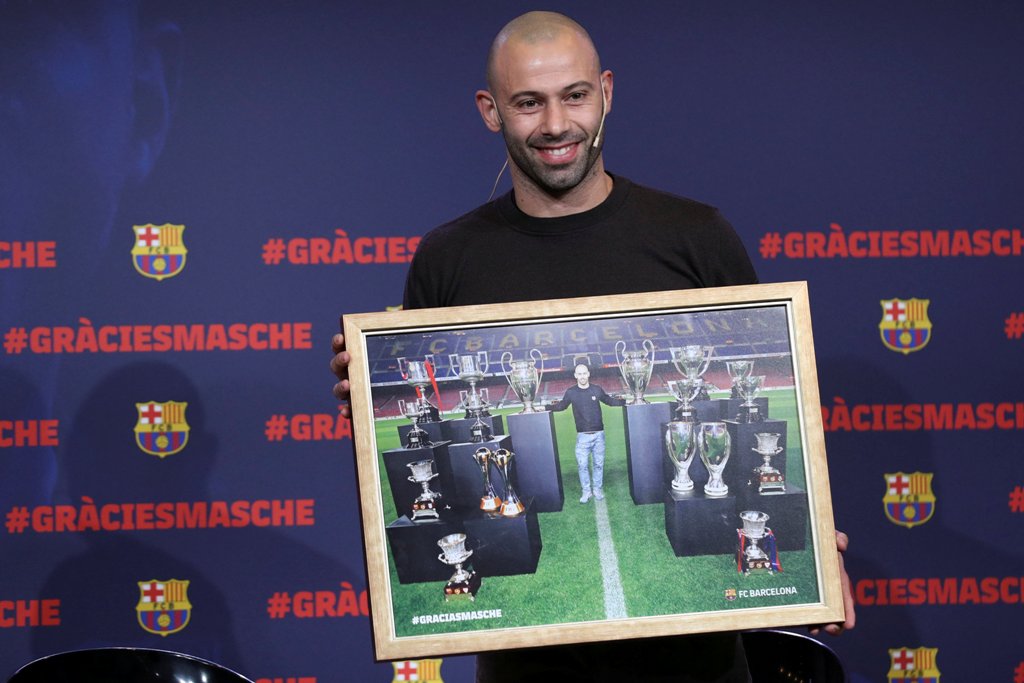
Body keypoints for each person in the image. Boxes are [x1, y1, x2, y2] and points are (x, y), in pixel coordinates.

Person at [332, 11, 855, 681]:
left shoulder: (695, 235)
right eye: (528, 102)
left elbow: (750, 398)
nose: (555, 123)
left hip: (700, 667)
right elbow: (435, 421)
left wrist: (812, 537)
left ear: (605, 92)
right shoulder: (450, 259)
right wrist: (368, 386)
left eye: (574, 95)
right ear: (491, 111)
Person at [547, 363, 626, 503]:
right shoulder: (571, 392)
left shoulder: (596, 389)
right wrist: (547, 407)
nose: (582, 376)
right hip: (582, 437)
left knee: (598, 464)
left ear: (588, 374)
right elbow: (562, 406)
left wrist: (625, 402)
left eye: (584, 373)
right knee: (582, 465)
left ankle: (597, 489)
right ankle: (586, 491)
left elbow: (608, 400)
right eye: (579, 374)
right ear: (575, 375)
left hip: (599, 435)